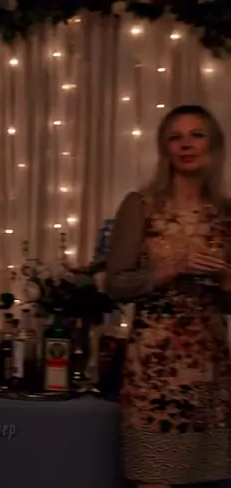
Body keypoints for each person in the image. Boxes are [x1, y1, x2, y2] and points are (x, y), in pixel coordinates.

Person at [105, 105, 231, 487]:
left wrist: (225, 277)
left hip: (211, 374)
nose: (186, 144)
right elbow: (115, 285)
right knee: (154, 478)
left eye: (196, 135)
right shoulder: (140, 206)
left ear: (214, 145)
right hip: (154, 373)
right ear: (165, 148)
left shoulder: (226, 215)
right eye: (175, 137)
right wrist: (172, 268)